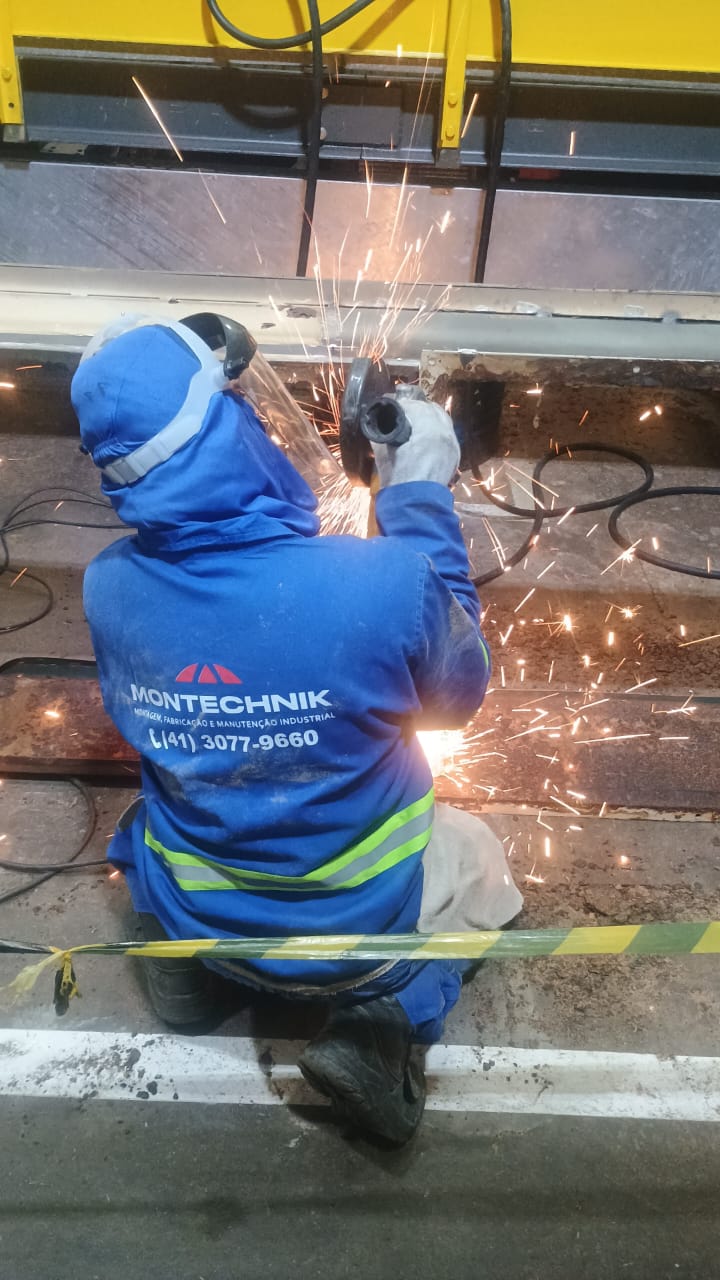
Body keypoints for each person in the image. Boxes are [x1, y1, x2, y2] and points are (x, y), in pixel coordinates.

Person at [71, 315, 522, 1144]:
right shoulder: (381, 582)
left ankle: (191, 978)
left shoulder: (107, 587)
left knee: (145, 822)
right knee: (478, 860)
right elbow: (457, 698)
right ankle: (381, 1022)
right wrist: (418, 496)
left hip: (204, 914)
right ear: (226, 426)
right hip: (357, 930)